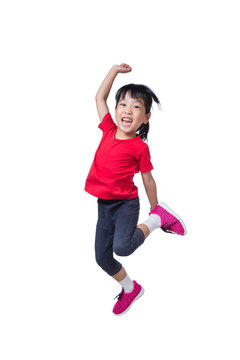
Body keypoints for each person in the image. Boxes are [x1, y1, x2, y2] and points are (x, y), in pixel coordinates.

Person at [84, 63, 187, 316]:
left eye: (136, 106)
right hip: (104, 205)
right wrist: (113, 71)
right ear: (116, 110)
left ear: (146, 117)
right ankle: (131, 289)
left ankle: (156, 219)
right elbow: (99, 97)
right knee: (102, 258)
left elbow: (148, 180)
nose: (128, 110)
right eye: (123, 104)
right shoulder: (108, 129)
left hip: (126, 205)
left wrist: (155, 206)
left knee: (123, 248)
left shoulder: (139, 147)